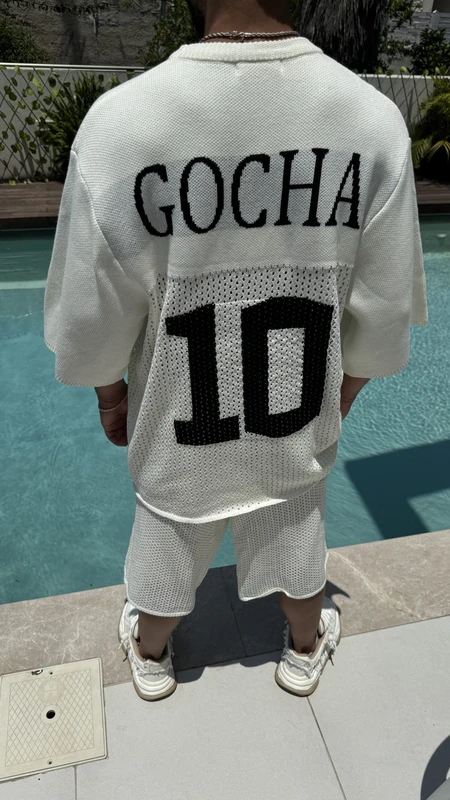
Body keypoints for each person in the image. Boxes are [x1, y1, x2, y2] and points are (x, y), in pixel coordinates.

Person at [44, 0, 428, 702]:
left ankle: (151, 654)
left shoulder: (123, 126)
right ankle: (304, 649)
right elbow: (384, 310)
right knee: (296, 530)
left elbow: (89, 315)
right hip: (292, 422)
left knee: (168, 538)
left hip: (181, 427)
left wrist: (110, 394)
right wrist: (340, 396)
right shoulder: (370, 122)